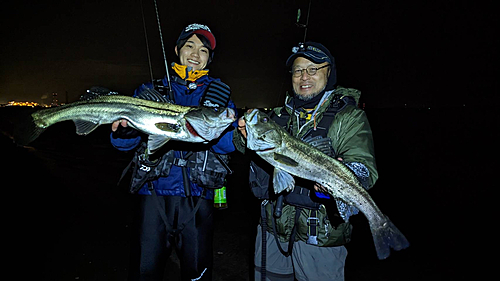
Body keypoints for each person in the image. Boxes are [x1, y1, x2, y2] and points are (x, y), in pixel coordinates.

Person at [234, 42, 378, 281]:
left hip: (320, 236)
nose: (304, 76)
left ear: (328, 72)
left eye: (313, 69)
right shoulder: (278, 115)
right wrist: (241, 135)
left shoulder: (349, 116)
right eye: (298, 70)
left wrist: (343, 177)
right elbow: (247, 148)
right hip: (272, 227)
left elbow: (363, 166)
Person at [110, 23, 236, 281]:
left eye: (203, 50)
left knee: (198, 275)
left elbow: (228, 145)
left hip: (199, 200)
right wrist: (125, 132)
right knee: (144, 272)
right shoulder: (151, 92)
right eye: (189, 45)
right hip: (153, 195)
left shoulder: (220, 96)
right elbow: (122, 146)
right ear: (177, 49)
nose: (195, 54)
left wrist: (219, 127)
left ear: (209, 58)